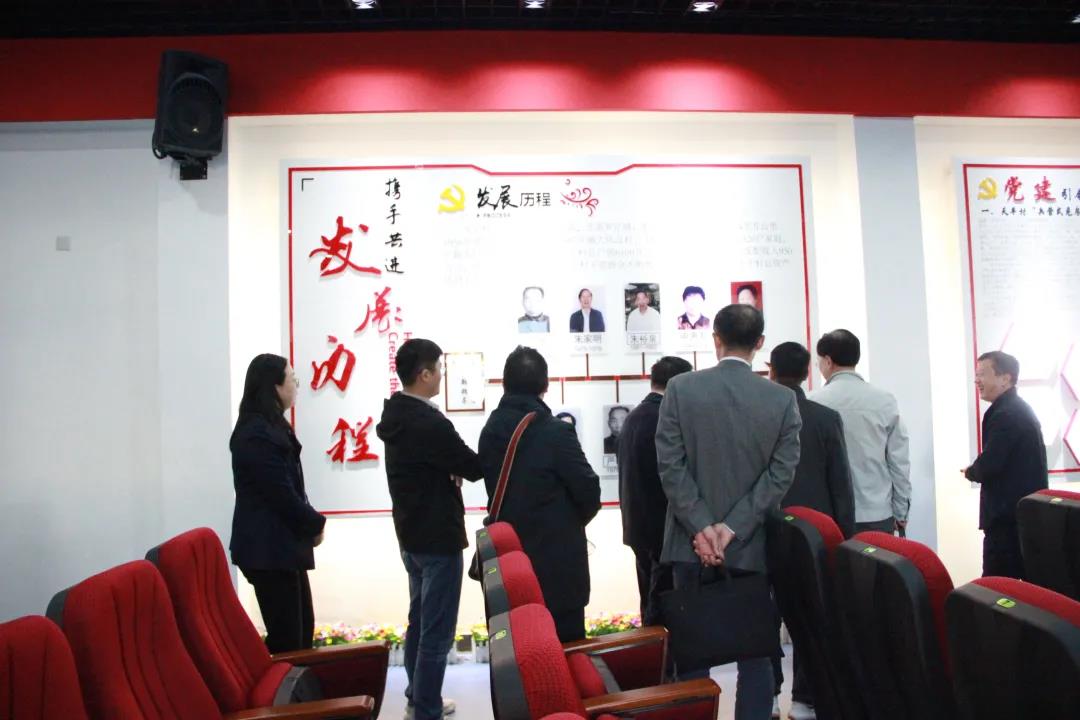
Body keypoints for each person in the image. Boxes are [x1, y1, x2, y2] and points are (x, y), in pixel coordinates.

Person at [657, 304, 801, 720]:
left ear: (715, 338)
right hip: (751, 545)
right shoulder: (782, 399)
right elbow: (781, 473)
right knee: (755, 654)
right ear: (760, 343)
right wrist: (733, 527)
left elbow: (670, 465)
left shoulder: (680, 388)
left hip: (690, 545)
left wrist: (702, 526)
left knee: (692, 653)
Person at [376, 338, 484, 720]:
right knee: (436, 632)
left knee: (419, 622)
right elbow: (472, 465)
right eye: (439, 369)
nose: (441, 376)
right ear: (424, 374)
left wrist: (447, 467)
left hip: (410, 534)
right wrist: (457, 466)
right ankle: (426, 709)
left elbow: (435, 464)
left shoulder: (397, 416)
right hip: (437, 537)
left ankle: (417, 697)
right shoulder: (429, 422)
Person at [478, 346, 601, 642]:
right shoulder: (555, 432)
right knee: (563, 651)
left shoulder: (490, 430)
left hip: (507, 563)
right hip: (556, 566)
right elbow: (589, 492)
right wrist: (568, 523)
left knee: (514, 651)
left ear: (504, 383)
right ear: (545, 385)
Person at [767, 342, 855, 720]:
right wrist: (843, 538)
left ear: (771, 372)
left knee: (765, 614)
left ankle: (768, 694)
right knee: (810, 618)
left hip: (765, 529)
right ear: (807, 373)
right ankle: (804, 699)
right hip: (815, 535)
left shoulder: (759, 416)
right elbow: (841, 485)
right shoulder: (825, 417)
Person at [230, 353, 326, 654]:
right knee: (288, 641)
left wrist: (310, 523)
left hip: (282, 548)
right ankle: (281, 687)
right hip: (267, 551)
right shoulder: (256, 434)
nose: (297, 385)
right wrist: (315, 523)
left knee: (301, 633)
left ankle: (296, 685)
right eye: (292, 379)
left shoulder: (272, 426)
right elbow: (280, 493)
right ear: (275, 386)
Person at [812, 329, 911, 536]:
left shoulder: (814, 401)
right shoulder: (884, 401)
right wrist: (901, 511)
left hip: (830, 514)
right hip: (877, 512)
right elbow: (898, 462)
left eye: (819, 361)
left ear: (828, 361)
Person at [618, 355, 694, 623]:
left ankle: (654, 649)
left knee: (649, 602)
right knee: (665, 609)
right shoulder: (666, 418)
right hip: (664, 530)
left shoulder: (633, 416)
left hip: (637, 526)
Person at [964, 351, 1048, 579]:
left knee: (998, 589)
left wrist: (971, 471)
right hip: (1020, 517)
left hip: (1008, 521)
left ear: (1005, 378)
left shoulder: (1006, 414)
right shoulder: (1014, 408)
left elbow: (991, 463)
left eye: (983, 374)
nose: (977, 380)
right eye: (976, 375)